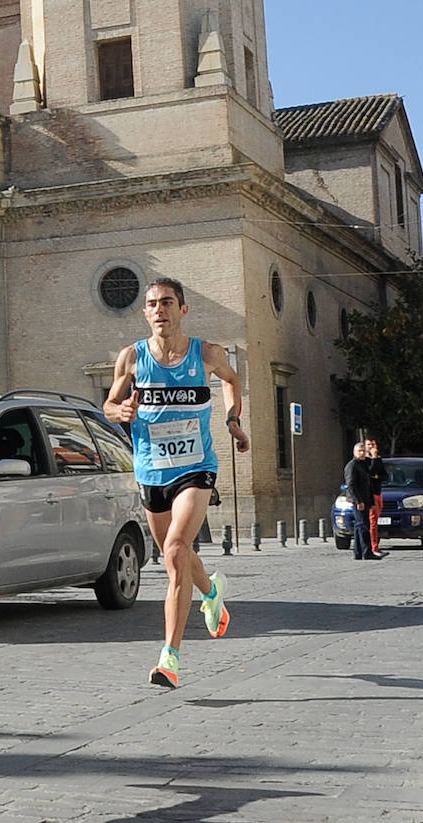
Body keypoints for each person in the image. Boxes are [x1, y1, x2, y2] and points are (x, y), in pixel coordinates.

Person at [104, 278, 250, 688]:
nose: (159, 310)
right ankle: (211, 592)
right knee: (177, 557)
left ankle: (170, 657)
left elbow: (233, 381)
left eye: (167, 302)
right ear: (146, 312)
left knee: (174, 550)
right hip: (151, 470)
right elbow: (109, 404)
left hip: (196, 466)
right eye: (151, 304)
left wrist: (233, 421)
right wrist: (122, 411)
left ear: (183, 310)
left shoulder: (207, 354)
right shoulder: (131, 358)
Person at [344, 443, 379, 561]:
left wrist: (372, 502)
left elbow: (368, 485)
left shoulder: (364, 465)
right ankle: (367, 552)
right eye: (360, 451)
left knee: (359, 526)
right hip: (358, 501)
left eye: (364, 451)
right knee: (364, 526)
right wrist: (358, 501)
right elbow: (351, 485)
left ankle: (358, 552)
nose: (362, 453)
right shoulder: (352, 465)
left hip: (366, 500)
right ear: (354, 452)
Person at [365, 438, 388, 558]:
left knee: (376, 521)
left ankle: (375, 545)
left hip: (379, 493)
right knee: (372, 522)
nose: (371, 447)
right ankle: (373, 547)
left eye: (372, 444)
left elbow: (385, 475)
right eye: (368, 444)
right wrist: (373, 459)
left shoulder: (378, 459)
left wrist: (377, 476)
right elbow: (370, 473)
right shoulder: (366, 460)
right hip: (371, 493)